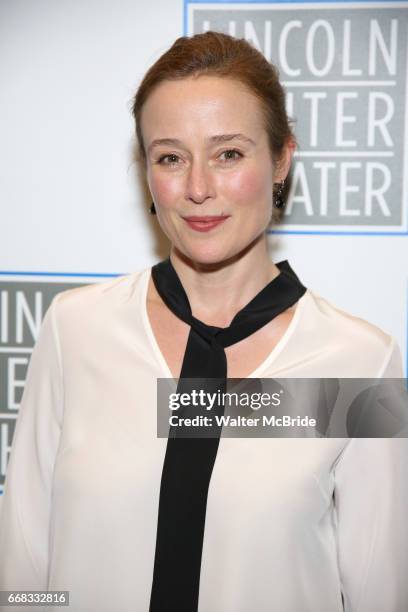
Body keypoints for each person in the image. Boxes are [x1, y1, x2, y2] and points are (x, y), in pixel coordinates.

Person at [0, 31, 407, 612]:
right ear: (147, 173)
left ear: (281, 160)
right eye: (170, 157)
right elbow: (22, 565)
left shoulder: (359, 361)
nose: (197, 188)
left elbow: (382, 595)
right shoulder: (77, 330)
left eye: (229, 154)